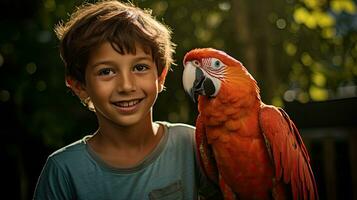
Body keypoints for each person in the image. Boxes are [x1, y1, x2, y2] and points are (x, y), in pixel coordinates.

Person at [33, 1, 221, 199]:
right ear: (79, 86)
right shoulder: (64, 171)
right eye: (106, 72)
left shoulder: (192, 144)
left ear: (160, 77)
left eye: (140, 68)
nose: (126, 86)